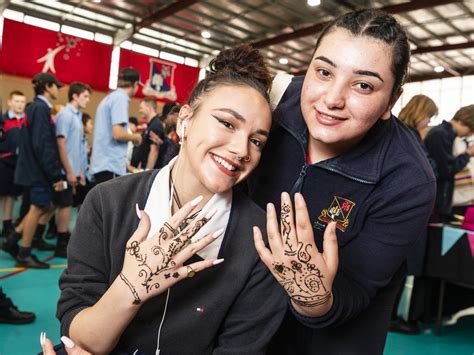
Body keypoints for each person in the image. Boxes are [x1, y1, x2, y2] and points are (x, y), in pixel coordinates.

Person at [52, 44, 287, 354]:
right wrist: (129, 288)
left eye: (256, 141)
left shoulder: (263, 242)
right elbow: (79, 339)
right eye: (227, 124)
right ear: (184, 119)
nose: (242, 150)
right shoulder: (108, 202)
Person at [249, 9, 436, 355]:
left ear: (390, 102)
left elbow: (359, 289)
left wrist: (313, 297)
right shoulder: (271, 103)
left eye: (363, 85)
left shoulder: (409, 181)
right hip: (240, 325)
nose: (332, 99)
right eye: (323, 72)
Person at [3, 73, 66, 269]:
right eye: (56, 86)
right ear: (47, 87)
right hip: (39, 170)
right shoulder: (40, 109)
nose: (58, 89)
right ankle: (24, 252)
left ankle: (13, 239)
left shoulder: (36, 108)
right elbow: (42, 144)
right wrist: (54, 174)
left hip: (35, 169)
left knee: (45, 206)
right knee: (37, 207)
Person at [389, 94, 438, 334]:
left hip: (410, 210)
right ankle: (390, 318)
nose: (429, 122)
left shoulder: (412, 135)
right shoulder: (404, 135)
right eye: (429, 116)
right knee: (395, 268)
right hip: (400, 211)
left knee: (401, 269)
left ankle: (392, 316)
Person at [54, 82, 92, 258]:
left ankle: (55, 236)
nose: (88, 99)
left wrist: (80, 171)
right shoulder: (65, 115)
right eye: (85, 96)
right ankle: (61, 243)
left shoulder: (77, 116)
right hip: (64, 171)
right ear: (75, 96)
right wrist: (69, 171)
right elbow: (61, 145)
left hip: (74, 170)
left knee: (62, 205)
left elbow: (77, 147)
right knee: (64, 205)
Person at [89, 67, 142, 184]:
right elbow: (117, 134)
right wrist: (136, 137)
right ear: (135, 84)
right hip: (110, 165)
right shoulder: (120, 98)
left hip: (102, 165)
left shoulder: (111, 97)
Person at [424, 105, 474, 223]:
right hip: (435, 202)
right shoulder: (441, 134)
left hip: (441, 200)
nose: (470, 134)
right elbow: (446, 170)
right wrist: (467, 154)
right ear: (463, 121)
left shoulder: (448, 134)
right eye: (471, 130)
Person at [0, 91, 26, 238]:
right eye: (16, 101)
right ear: (10, 102)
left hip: (19, 164)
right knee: (2, 195)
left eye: (22, 102)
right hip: (3, 163)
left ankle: (7, 224)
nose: (20, 105)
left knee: (11, 195)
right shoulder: (3, 120)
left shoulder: (26, 122)